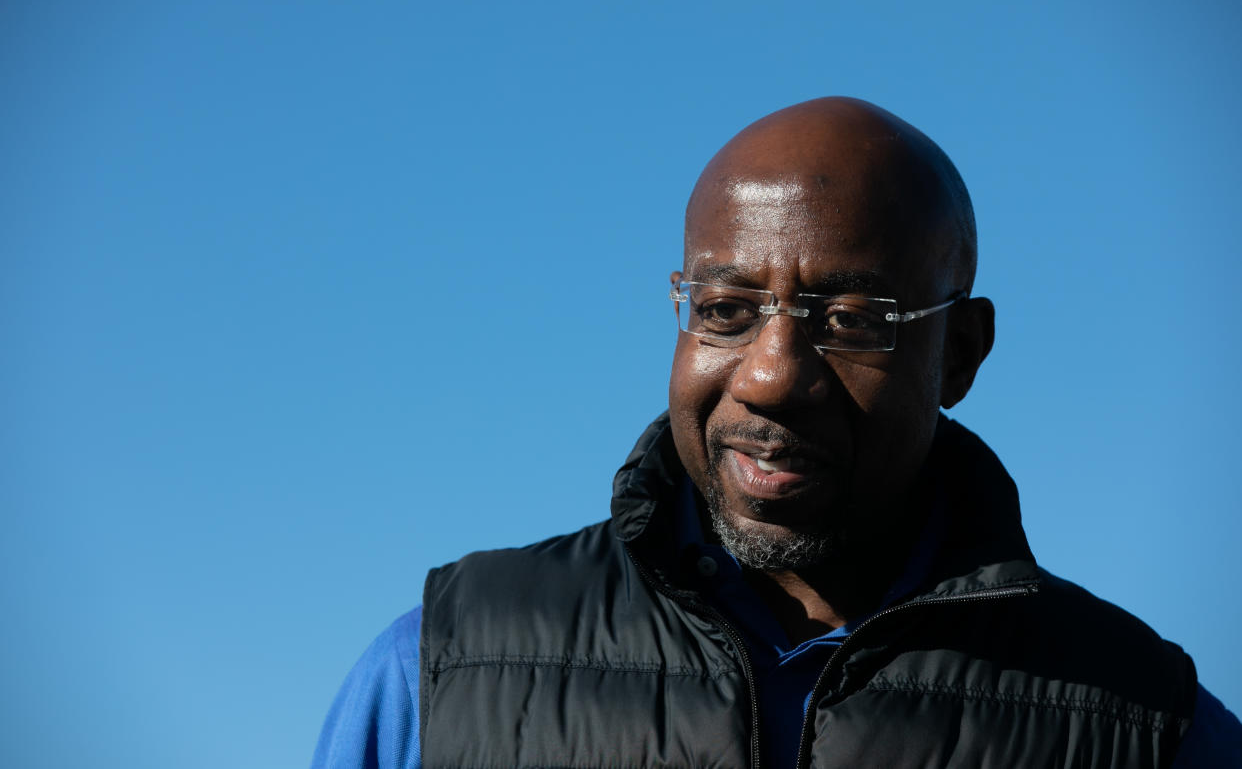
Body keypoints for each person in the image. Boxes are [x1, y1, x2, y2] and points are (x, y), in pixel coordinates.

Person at [312, 98, 1241, 768]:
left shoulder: (1139, 723)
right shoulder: (443, 673)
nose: (771, 375)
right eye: (725, 309)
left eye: (851, 318)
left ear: (961, 352)